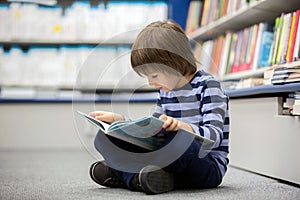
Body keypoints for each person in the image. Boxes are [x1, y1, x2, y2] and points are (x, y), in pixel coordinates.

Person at [88, 20, 230, 195]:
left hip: (205, 165)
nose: (150, 82)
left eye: (153, 75)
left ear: (175, 63)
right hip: (169, 159)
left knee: (178, 142)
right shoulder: (165, 90)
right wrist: (120, 123)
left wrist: (181, 128)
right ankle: (143, 177)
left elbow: (214, 137)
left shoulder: (208, 85)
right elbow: (151, 131)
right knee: (102, 138)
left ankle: (124, 174)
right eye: (146, 76)